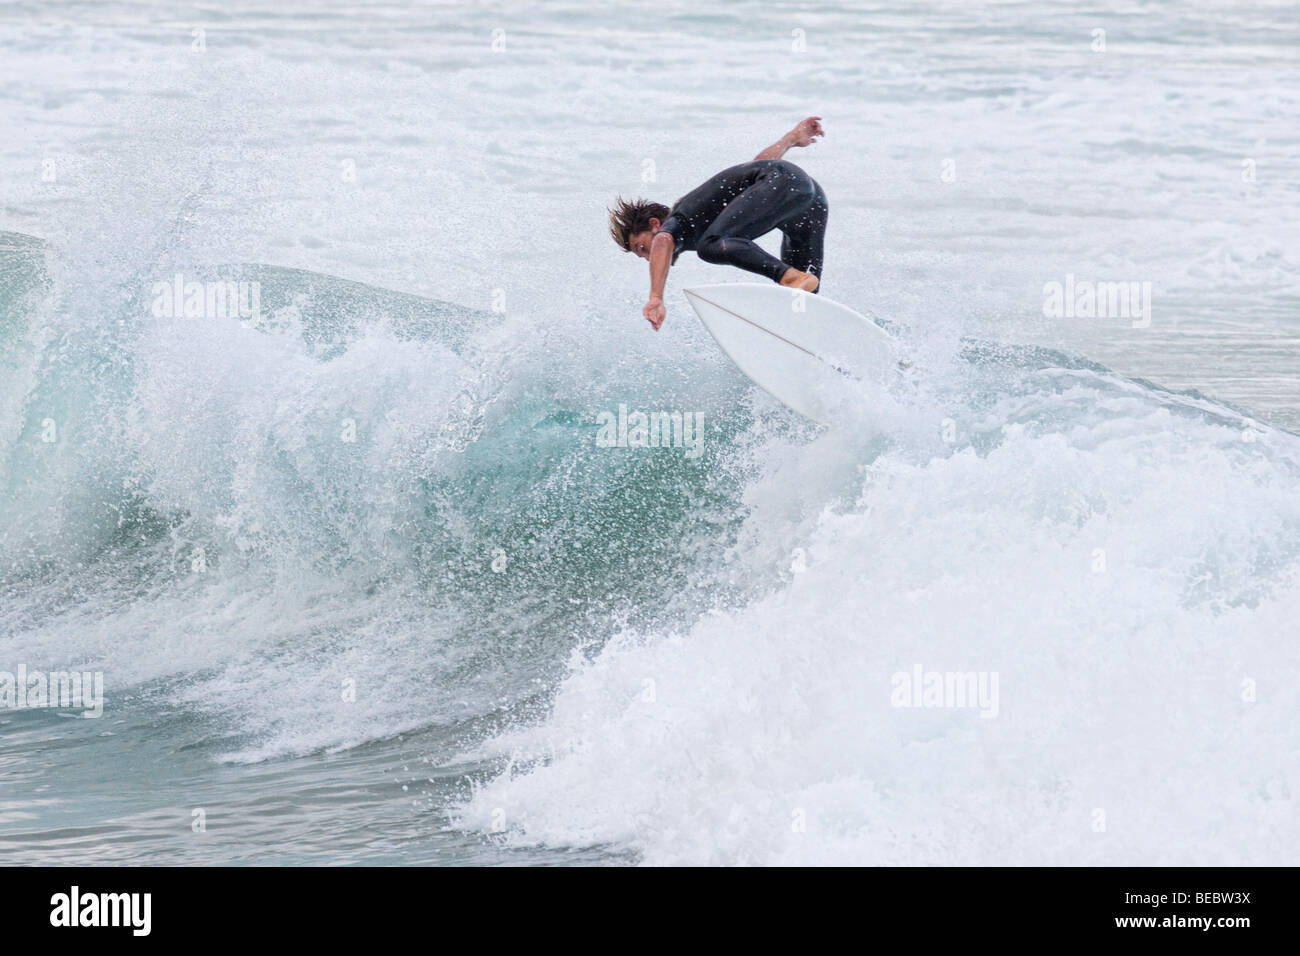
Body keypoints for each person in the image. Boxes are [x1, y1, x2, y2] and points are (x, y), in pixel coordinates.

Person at [608, 116, 828, 331]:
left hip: (786, 182)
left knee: (712, 245)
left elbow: (663, 240)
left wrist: (656, 297)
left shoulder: (678, 222)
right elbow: (759, 166)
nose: (649, 257)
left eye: (643, 248)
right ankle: (812, 339)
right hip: (808, 201)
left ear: (655, 224)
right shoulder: (710, 217)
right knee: (803, 297)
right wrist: (792, 138)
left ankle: (790, 278)